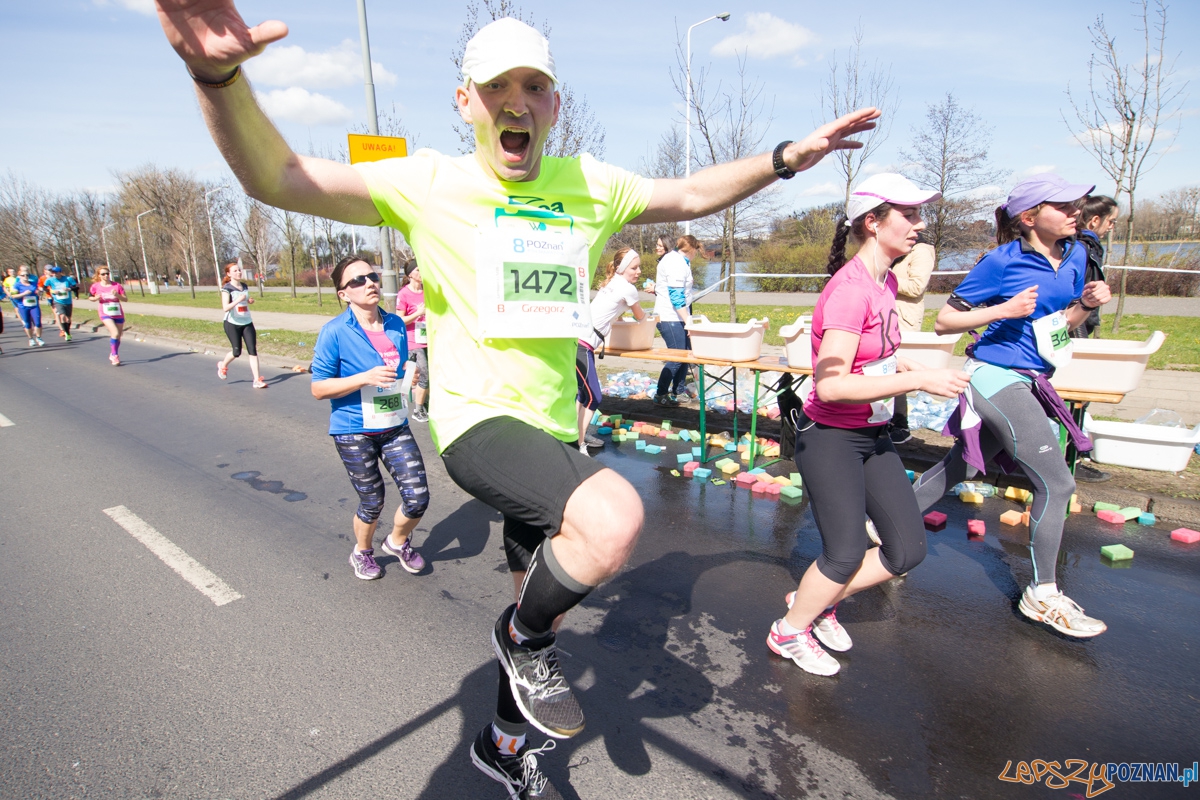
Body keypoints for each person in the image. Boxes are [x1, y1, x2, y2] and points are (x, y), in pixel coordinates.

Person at [154, 4, 877, 794]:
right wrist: (216, 76)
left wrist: (786, 157)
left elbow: (696, 192)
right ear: (467, 101)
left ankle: (502, 741)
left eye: (535, 85)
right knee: (610, 522)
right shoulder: (430, 183)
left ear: (554, 105)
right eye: (497, 84)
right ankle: (519, 638)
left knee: (550, 604)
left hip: (548, 429)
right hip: (475, 417)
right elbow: (278, 178)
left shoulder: (591, 186)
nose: (517, 99)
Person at [767, 174, 966, 677]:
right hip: (831, 437)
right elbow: (831, 385)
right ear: (873, 223)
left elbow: (879, 359)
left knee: (907, 549)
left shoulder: (888, 281)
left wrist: (913, 371)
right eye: (910, 214)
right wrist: (918, 382)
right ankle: (789, 630)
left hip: (872, 436)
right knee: (846, 551)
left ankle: (817, 602)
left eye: (920, 215)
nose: (920, 225)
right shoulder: (850, 292)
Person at [911, 173, 1113, 638]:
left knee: (961, 466)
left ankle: (884, 521)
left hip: (1033, 376)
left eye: (1076, 204)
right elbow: (945, 321)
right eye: (1062, 206)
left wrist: (1084, 302)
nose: (1075, 212)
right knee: (1057, 484)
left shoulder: (1078, 252)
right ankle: (1042, 595)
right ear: (1029, 217)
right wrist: (1002, 310)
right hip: (994, 376)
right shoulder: (1002, 262)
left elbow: (1063, 324)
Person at [311, 256, 429, 581]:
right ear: (343, 294)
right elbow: (319, 388)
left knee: (418, 497)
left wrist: (409, 375)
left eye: (372, 276)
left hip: (394, 423)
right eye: (357, 281)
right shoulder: (334, 332)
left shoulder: (393, 324)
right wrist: (364, 378)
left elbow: (398, 367)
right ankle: (362, 551)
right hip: (353, 429)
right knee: (373, 500)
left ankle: (397, 541)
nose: (369, 283)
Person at [576, 247, 646, 454]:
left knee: (582, 394)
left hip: (578, 340)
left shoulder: (612, 283)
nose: (639, 271)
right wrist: (649, 318)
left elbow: (609, 310)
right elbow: (641, 317)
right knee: (593, 397)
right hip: (582, 344)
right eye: (634, 267)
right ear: (623, 269)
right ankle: (578, 445)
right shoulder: (628, 289)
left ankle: (578, 434)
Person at [887, 240, 936, 443]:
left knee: (897, 369)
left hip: (903, 319)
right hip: (886, 315)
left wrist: (884, 275)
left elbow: (917, 287)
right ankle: (885, 420)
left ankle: (900, 424)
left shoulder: (921, 251)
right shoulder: (896, 248)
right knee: (883, 368)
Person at [649, 234, 697, 406]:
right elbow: (676, 296)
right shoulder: (675, 262)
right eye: (696, 251)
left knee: (685, 354)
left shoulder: (682, 261)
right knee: (677, 357)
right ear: (692, 249)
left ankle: (677, 391)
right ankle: (661, 393)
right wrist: (688, 321)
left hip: (677, 316)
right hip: (669, 316)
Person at [1070, 194, 1118, 340]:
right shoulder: (1081, 247)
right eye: (1111, 221)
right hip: (1075, 323)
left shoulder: (1087, 245)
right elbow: (1074, 294)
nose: (1111, 227)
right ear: (1095, 220)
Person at [217, 261, 267, 388]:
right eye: (235, 271)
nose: (238, 272)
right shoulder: (226, 289)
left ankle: (256, 380)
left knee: (253, 350)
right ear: (229, 274)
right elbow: (225, 307)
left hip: (247, 322)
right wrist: (237, 300)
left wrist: (249, 301)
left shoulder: (244, 286)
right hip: (232, 323)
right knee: (236, 351)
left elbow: (244, 302)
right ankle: (223, 365)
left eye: (239, 270)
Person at [396, 258, 429, 422]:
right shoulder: (404, 294)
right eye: (418, 270)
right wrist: (418, 313)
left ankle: (414, 401)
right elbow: (400, 320)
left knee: (412, 375)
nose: (421, 273)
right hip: (412, 340)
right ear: (410, 274)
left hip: (429, 339)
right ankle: (418, 410)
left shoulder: (427, 291)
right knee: (424, 375)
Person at [88, 266, 127, 365]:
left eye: (107, 273)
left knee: (118, 335)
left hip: (117, 312)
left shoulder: (117, 285)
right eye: (103, 274)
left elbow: (125, 299)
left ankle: (114, 353)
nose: (106, 275)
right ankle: (114, 356)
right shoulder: (96, 286)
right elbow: (90, 298)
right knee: (115, 333)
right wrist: (96, 298)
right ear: (99, 275)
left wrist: (117, 295)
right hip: (105, 313)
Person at [11, 265, 45, 347]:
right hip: (23, 306)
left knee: (38, 323)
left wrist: (40, 292)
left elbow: (38, 292)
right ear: (19, 276)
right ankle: (31, 339)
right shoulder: (17, 285)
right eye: (23, 275)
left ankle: (39, 338)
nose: (25, 277)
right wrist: (24, 294)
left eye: (27, 275)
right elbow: (13, 296)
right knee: (27, 324)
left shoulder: (33, 284)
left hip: (34, 305)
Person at [45, 266, 79, 341]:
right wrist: (52, 291)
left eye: (56, 272)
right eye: (53, 273)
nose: (54, 274)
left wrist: (69, 289)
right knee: (62, 316)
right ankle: (66, 333)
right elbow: (45, 288)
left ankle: (68, 331)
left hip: (68, 301)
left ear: (60, 272)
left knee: (68, 319)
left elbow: (76, 287)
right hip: (58, 301)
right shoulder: (50, 280)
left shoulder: (68, 279)